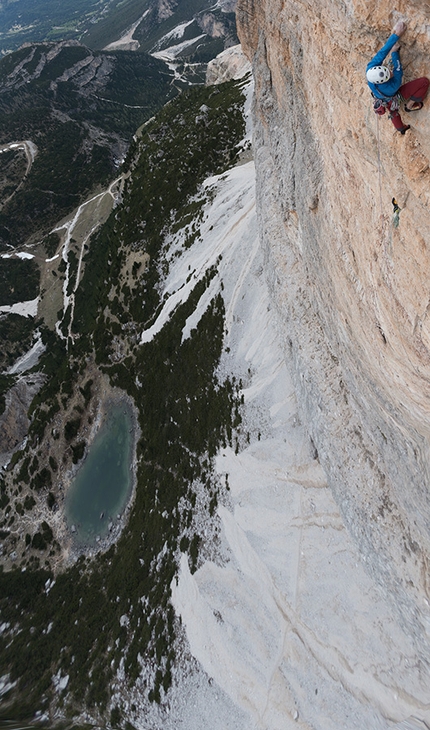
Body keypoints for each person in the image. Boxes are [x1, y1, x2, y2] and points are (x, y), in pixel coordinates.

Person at [366, 19, 429, 134]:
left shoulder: (370, 69)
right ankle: (410, 105)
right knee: (424, 82)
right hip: (393, 95)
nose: (391, 73)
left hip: (382, 97)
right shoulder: (393, 85)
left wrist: (396, 35)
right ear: (384, 81)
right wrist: (394, 53)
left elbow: (382, 52)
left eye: (387, 71)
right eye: (388, 76)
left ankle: (401, 129)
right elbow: (398, 69)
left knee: (393, 109)